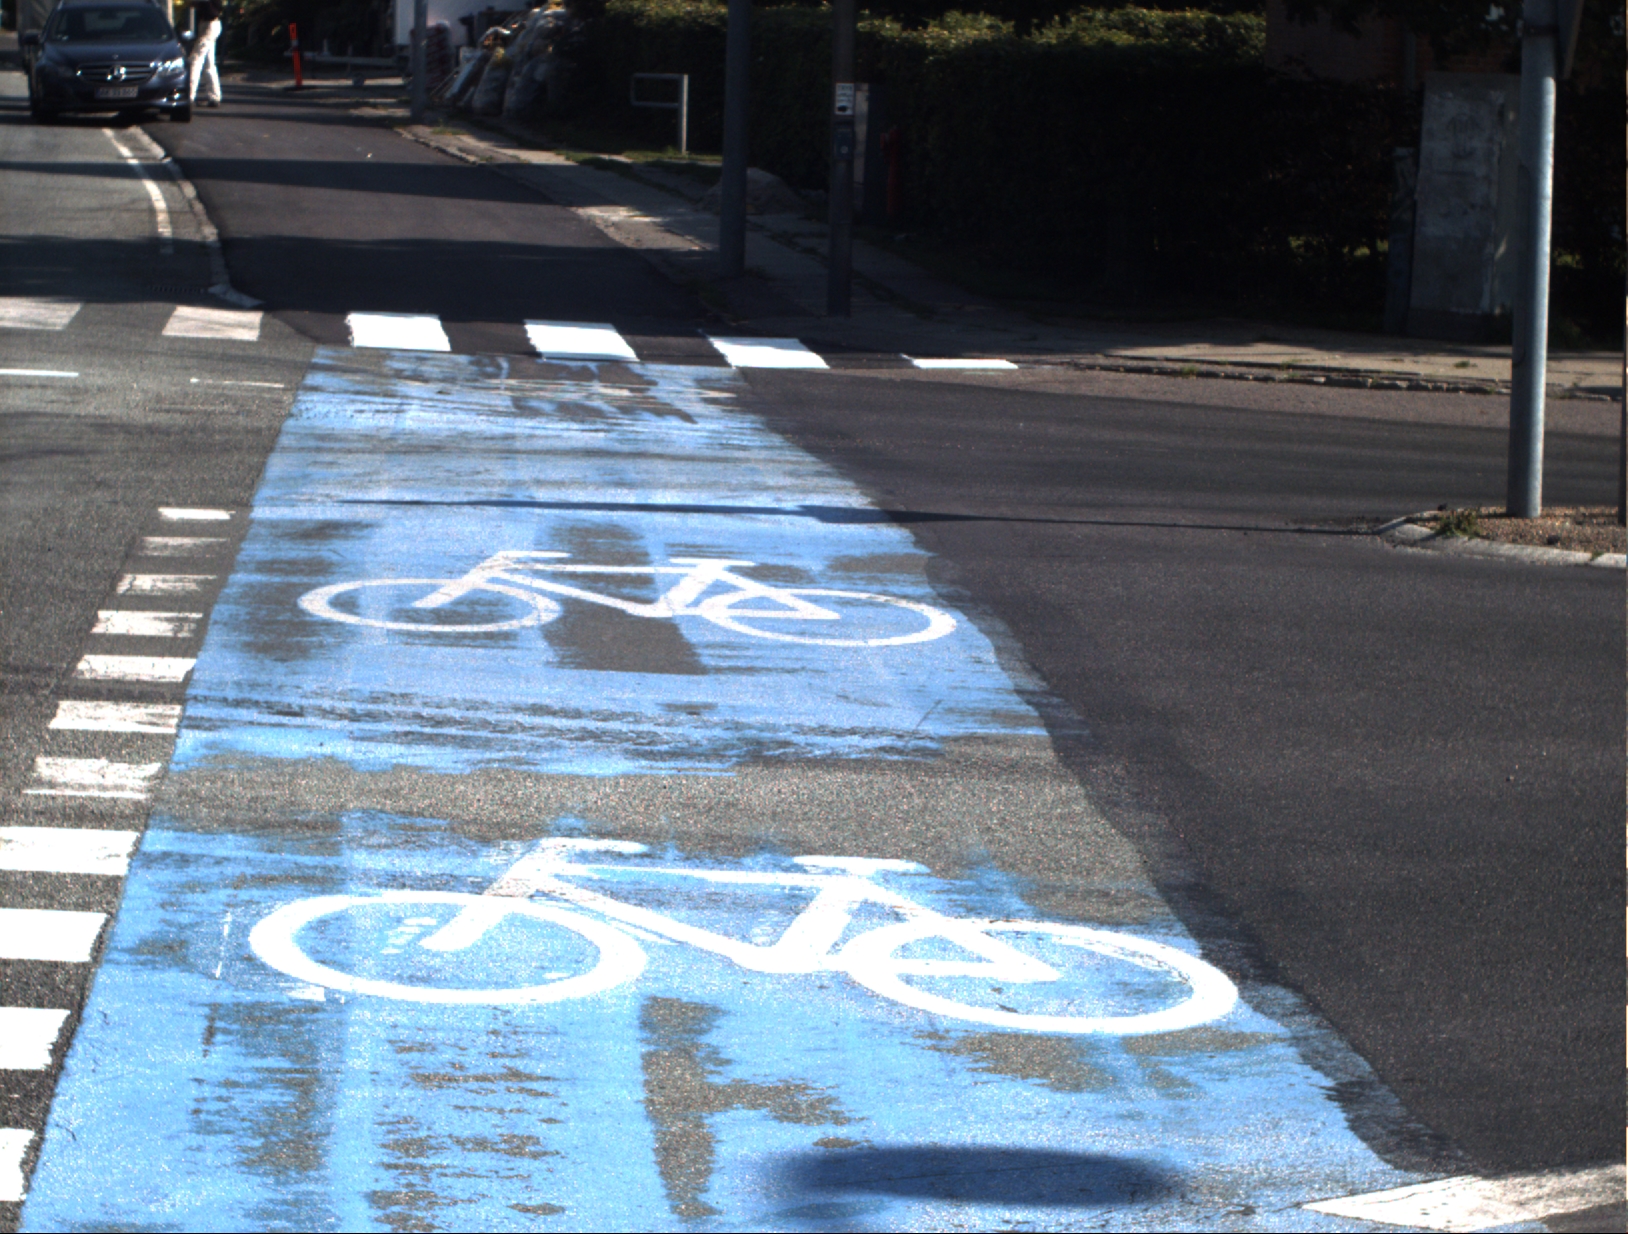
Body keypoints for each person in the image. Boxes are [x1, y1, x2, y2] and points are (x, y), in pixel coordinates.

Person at [186, 0, 223, 108]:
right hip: (210, 24)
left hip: (210, 24)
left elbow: (204, 5)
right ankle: (214, 96)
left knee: (195, 60)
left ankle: (189, 96)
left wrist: (193, 3)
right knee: (209, 63)